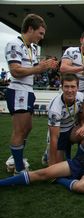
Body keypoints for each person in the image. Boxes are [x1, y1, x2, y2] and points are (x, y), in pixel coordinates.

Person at [0, 116, 84, 193]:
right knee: (42, 173)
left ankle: (58, 179)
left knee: (82, 187)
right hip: (83, 164)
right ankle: (2, 183)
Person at [5, 14, 58, 174]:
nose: (42, 37)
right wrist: (38, 68)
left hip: (28, 90)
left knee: (27, 128)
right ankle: (18, 168)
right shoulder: (14, 44)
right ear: (30, 29)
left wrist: (47, 66)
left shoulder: (32, 48)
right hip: (18, 89)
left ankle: (15, 159)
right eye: (40, 33)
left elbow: (34, 71)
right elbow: (15, 71)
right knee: (20, 130)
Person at [47, 74, 84, 165]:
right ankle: (48, 155)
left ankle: (78, 159)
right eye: (66, 87)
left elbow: (83, 115)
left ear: (77, 87)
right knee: (59, 167)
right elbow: (54, 138)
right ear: (62, 87)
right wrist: (52, 166)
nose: (70, 90)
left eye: (73, 87)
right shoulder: (55, 108)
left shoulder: (81, 97)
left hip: (72, 129)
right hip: (59, 133)